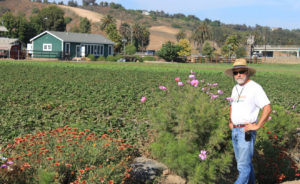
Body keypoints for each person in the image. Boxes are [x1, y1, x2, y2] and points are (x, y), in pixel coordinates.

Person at [225, 58, 272, 184]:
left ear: (247, 72)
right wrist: (230, 121)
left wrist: (257, 126)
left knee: (242, 166)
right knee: (246, 164)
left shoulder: (255, 88)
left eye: (241, 71)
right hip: (235, 130)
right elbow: (231, 106)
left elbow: (267, 108)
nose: (238, 74)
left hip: (246, 132)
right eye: (236, 72)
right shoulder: (235, 88)